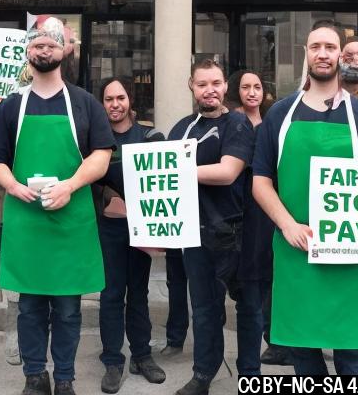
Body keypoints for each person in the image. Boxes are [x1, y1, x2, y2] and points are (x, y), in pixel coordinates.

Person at [252, 20, 358, 376]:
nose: (323, 53)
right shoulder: (280, 114)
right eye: (315, 46)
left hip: (353, 254)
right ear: (306, 53)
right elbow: (260, 180)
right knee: (303, 354)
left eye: (330, 47)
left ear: (341, 56)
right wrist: (288, 226)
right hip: (296, 251)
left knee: (352, 356)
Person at [0, 17, 114, 395]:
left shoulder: (84, 103)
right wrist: (12, 185)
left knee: (68, 309)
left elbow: (102, 155)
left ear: (65, 51)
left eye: (52, 45)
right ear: (28, 51)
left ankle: (64, 378)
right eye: (38, 44)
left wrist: (70, 186)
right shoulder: (11, 106)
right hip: (27, 222)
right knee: (28, 309)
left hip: (70, 221)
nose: (44, 50)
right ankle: (34, 376)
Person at [167, 60, 254, 394]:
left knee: (247, 307)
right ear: (192, 85)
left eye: (216, 82)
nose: (210, 90)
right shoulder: (181, 128)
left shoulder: (238, 123)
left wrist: (176, 172)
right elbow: (161, 182)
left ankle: (250, 372)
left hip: (234, 234)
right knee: (204, 310)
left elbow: (228, 172)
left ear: (224, 87)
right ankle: (203, 374)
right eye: (203, 84)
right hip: (193, 233)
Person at [94, 77, 166, 393]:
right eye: (109, 99)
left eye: (120, 97)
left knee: (138, 291)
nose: (115, 104)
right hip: (108, 227)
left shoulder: (150, 136)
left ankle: (142, 355)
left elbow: (163, 175)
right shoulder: (96, 140)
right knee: (111, 294)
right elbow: (87, 178)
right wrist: (109, 198)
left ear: (129, 100)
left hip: (142, 227)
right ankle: (112, 359)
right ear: (103, 104)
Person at [227, 70, 288, 368]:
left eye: (258, 87)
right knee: (248, 283)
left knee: (270, 278)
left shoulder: (274, 121)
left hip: (269, 208)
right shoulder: (229, 121)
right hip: (239, 208)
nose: (252, 92)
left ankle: (277, 341)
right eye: (245, 87)